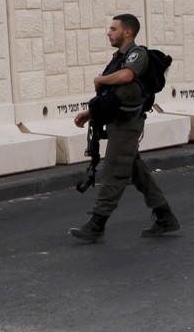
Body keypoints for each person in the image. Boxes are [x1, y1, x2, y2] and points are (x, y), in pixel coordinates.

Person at [69, 14, 180, 243]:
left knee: (115, 171)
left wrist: (100, 79)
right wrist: (89, 113)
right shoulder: (118, 57)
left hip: (128, 125)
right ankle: (165, 216)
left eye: (113, 29)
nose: (108, 33)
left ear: (127, 32)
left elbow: (127, 76)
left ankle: (97, 224)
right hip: (117, 122)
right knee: (134, 170)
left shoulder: (136, 54)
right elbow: (112, 96)